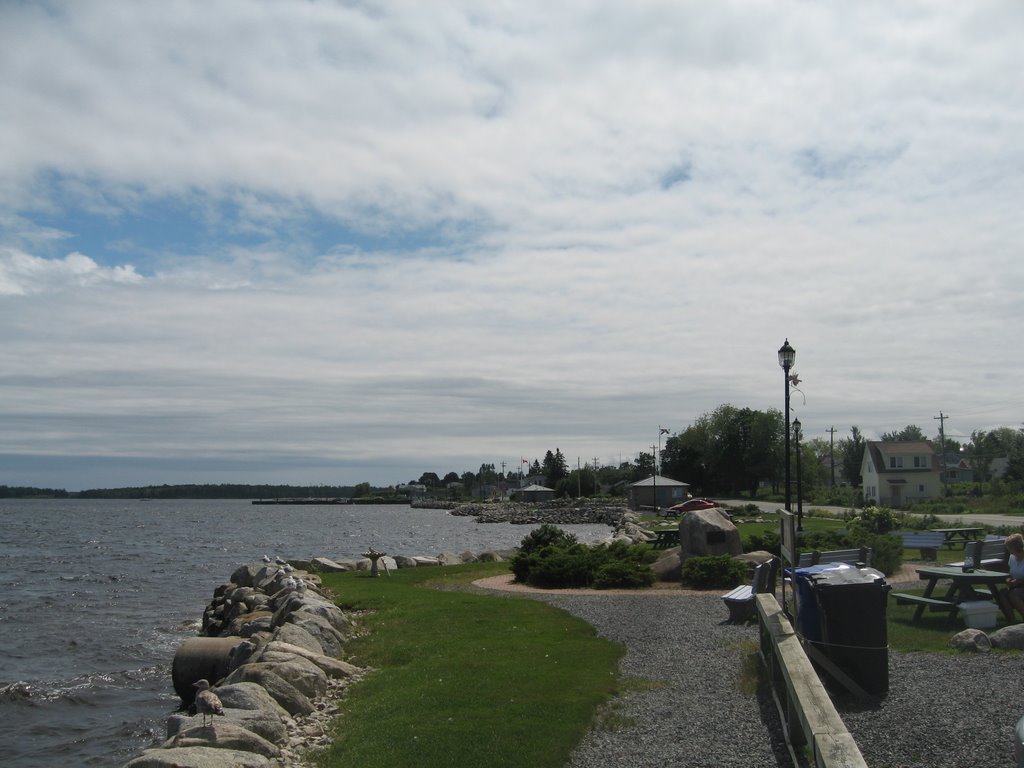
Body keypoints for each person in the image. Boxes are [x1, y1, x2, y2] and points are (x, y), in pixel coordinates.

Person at [1003, 533, 1024, 622]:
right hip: (1015, 586)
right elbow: (1010, 573)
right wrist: (1009, 580)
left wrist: (1019, 581)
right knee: (1002, 593)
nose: (1008, 550)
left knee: (1014, 594)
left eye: (1009, 547)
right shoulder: (1012, 558)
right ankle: (1011, 620)